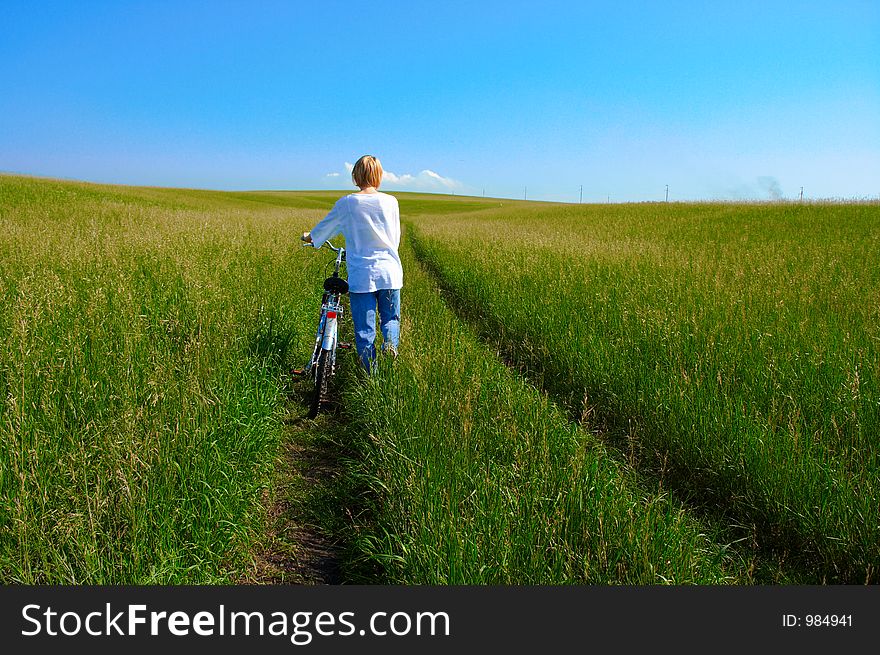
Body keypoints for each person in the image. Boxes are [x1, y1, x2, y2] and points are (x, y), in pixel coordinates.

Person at [302, 155, 402, 372]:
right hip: (390, 271)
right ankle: (390, 344)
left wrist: (310, 237)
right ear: (379, 176)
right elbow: (395, 237)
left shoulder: (348, 203)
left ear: (356, 176)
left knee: (365, 332)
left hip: (362, 274)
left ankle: (371, 378)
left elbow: (324, 229)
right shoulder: (391, 202)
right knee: (390, 318)